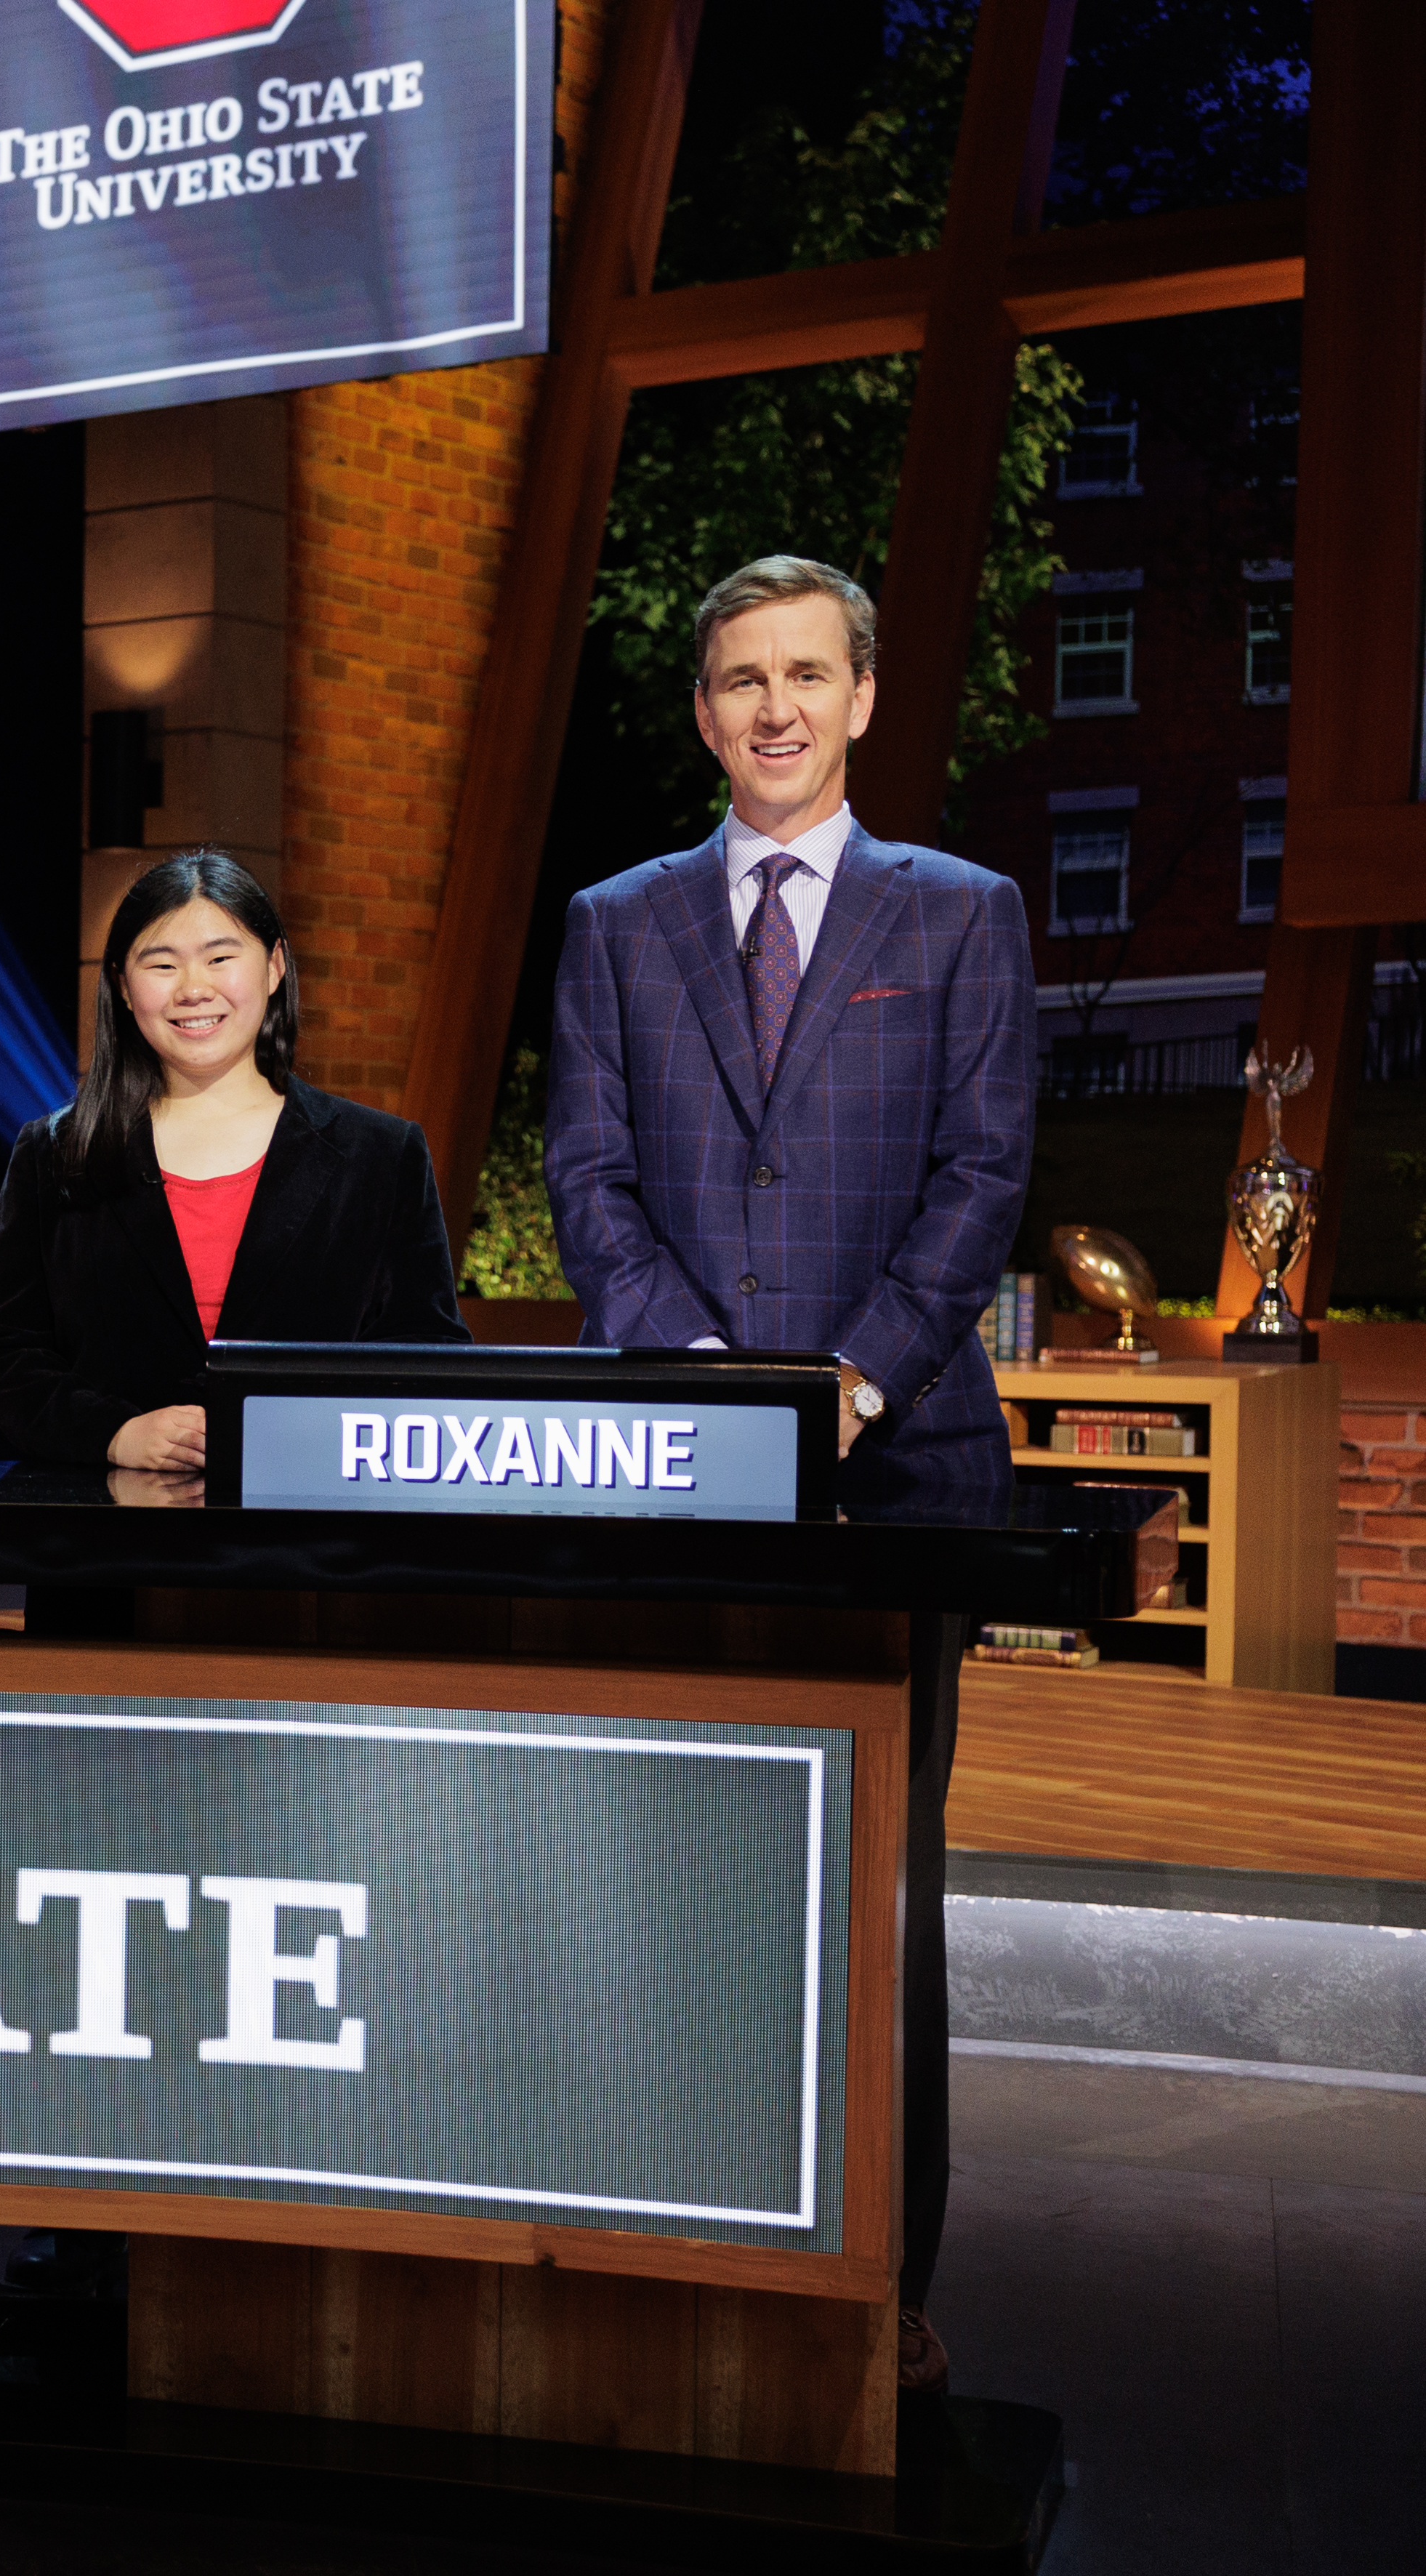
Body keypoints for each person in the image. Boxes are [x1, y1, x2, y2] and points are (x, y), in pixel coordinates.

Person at [544, 552, 1034, 2399]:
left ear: (862, 697)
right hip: (675, 1473)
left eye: (804, 676)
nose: (772, 708)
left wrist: (844, 1381)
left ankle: (876, 2299)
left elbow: (979, 1179)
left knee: (876, 1899)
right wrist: (700, 1384)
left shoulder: (964, 912)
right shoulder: (612, 922)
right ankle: (674, 2257)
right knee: (680, 1875)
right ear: (701, 710)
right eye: (739, 677)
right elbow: (589, 1182)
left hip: (900, 1476)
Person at [0, 849, 464, 1475]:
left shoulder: (381, 1156)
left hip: (310, 1536)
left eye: (221, 958)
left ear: (276, 966)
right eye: (161, 964)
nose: (193, 989)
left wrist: (301, 1437)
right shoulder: (57, 1153)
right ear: (122, 985)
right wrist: (114, 1434)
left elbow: (429, 1354)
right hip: (103, 1534)